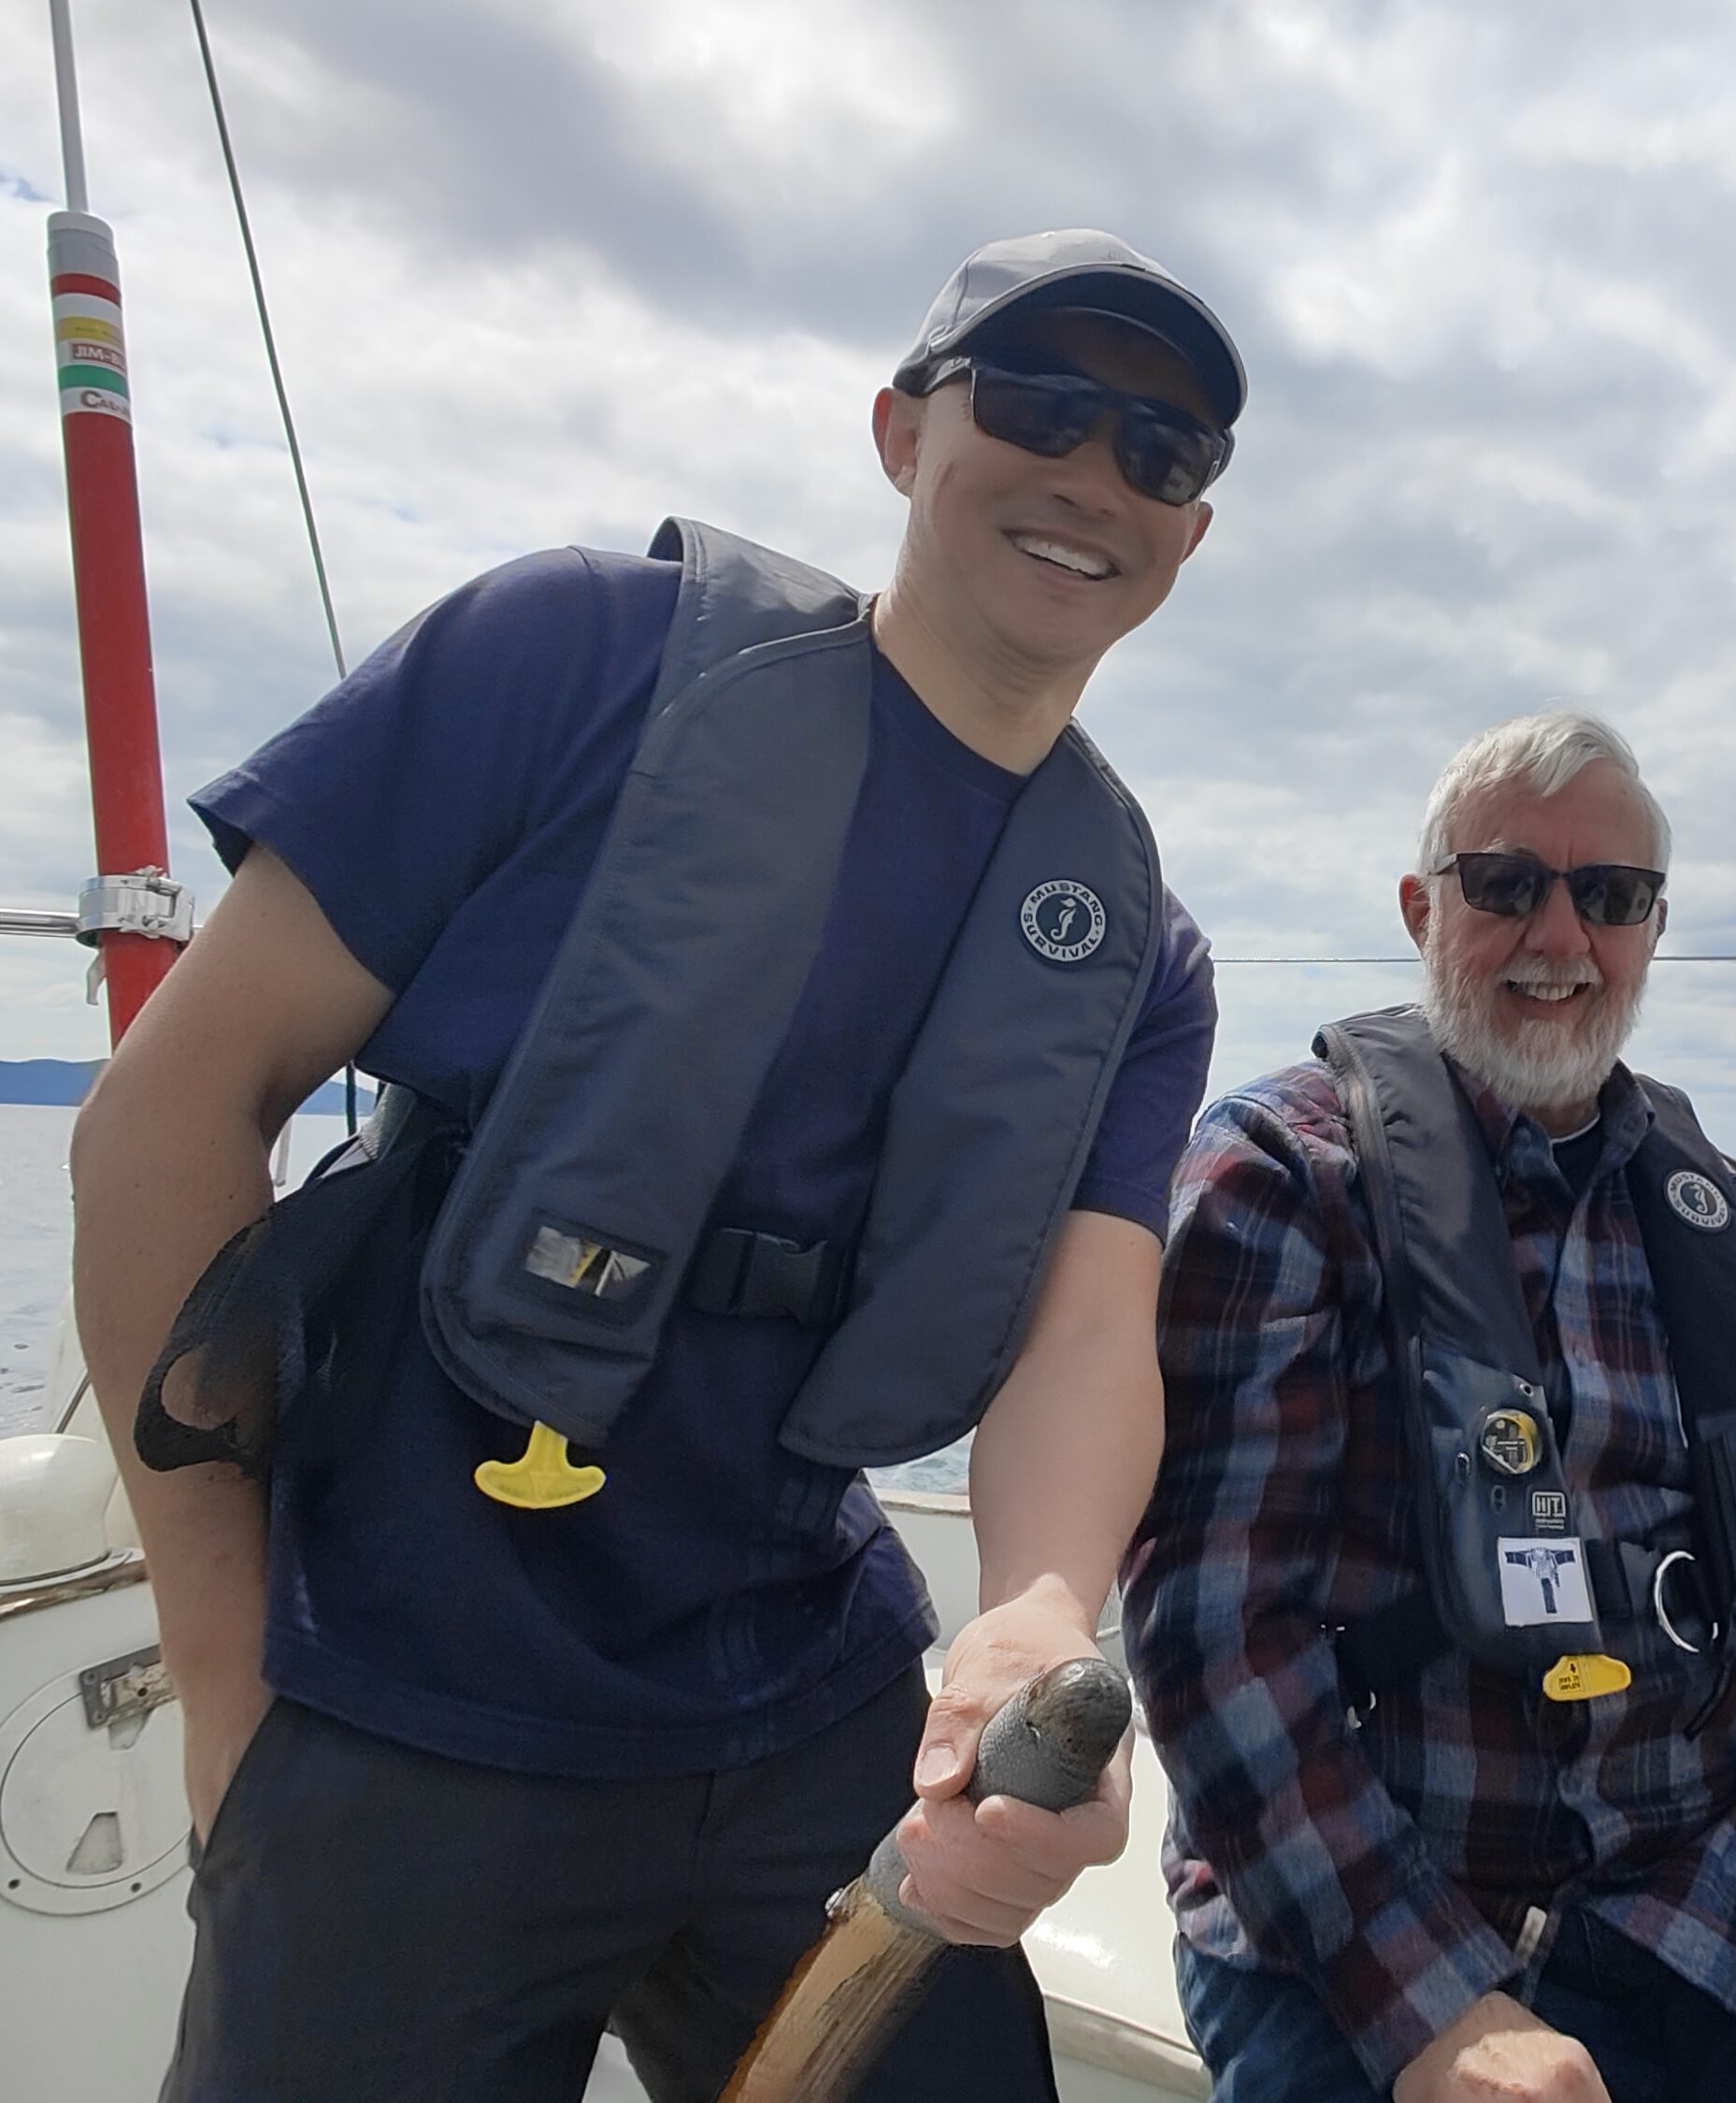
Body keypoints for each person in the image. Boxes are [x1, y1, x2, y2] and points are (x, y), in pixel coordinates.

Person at [71, 228, 1242, 2102]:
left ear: (1191, 532)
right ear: (899, 430)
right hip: (399, 1675)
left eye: (1163, 452)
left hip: (806, 1682)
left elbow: (1084, 1331)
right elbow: (172, 1104)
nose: (1096, 472)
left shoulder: (1135, 951)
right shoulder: (569, 660)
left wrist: (1033, 1609)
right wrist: (227, 1664)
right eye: (1035, 399)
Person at [1123, 710, 1736, 2103]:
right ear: (1423, 908)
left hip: (1703, 1901)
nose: (1559, 937)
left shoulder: (1719, 1216)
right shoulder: (1278, 1181)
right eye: (1505, 884)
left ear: (1650, 931)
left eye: (1608, 897)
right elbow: (1213, 1638)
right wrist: (1438, 2010)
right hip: (1370, 1910)